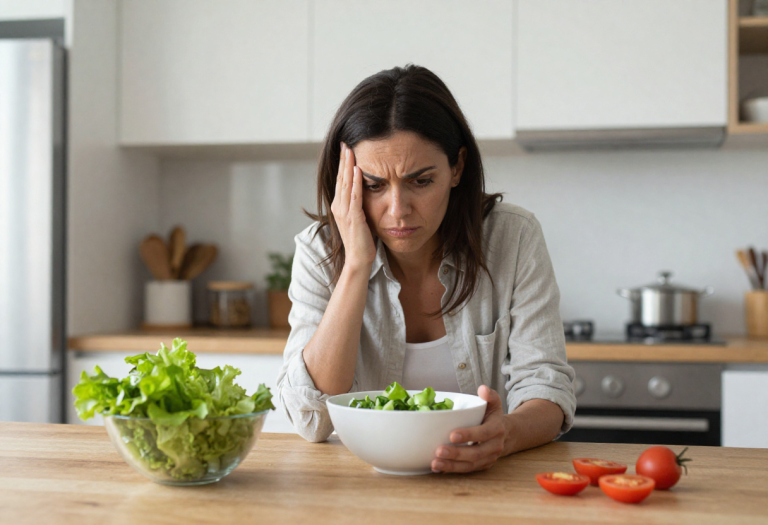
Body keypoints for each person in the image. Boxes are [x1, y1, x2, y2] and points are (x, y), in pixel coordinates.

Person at [276, 64, 575, 474]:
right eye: (374, 185)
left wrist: (505, 434)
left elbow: (547, 386)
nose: (398, 211)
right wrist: (357, 265)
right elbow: (311, 419)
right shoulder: (317, 250)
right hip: (360, 489)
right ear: (348, 181)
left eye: (420, 181)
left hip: (483, 486)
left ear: (456, 167)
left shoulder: (514, 238)